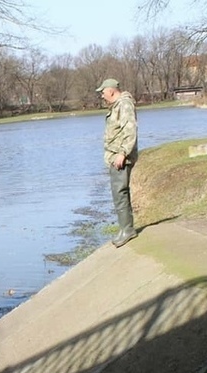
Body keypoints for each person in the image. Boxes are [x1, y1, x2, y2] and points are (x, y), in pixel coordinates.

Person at [96, 78, 139, 248]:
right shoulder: (117, 106)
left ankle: (127, 230)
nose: (101, 95)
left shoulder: (124, 104)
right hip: (115, 156)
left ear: (111, 91)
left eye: (103, 92)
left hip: (121, 157)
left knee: (119, 192)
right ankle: (125, 228)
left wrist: (122, 153)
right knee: (118, 192)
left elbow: (130, 130)